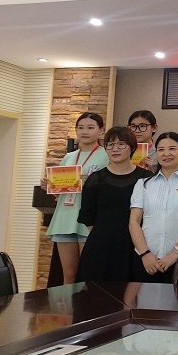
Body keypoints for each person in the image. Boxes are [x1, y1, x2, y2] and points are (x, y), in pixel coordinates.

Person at [77, 126, 153, 281]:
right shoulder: (95, 179)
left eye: (121, 144)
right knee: (95, 291)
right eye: (110, 145)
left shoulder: (146, 177)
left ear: (132, 147)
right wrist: (105, 234)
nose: (115, 149)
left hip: (136, 245)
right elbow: (87, 216)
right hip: (101, 244)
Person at [45, 112, 109, 284]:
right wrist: (51, 185)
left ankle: (89, 303)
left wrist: (90, 182)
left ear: (101, 131)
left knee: (89, 274)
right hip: (65, 217)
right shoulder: (69, 157)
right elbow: (59, 192)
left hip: (90, 219)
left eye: (90, 127)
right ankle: (69, 303)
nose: (84, 131)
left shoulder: (106, 156)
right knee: (68, 275)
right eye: (80, 127)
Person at [129, 132, 178, 283]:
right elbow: (134, 222)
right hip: (145, 259)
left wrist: (175, 254)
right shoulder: (143, 184)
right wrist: (145, 254)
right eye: (161, 149)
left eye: (172, 149)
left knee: (175, 298)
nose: (166, 153)